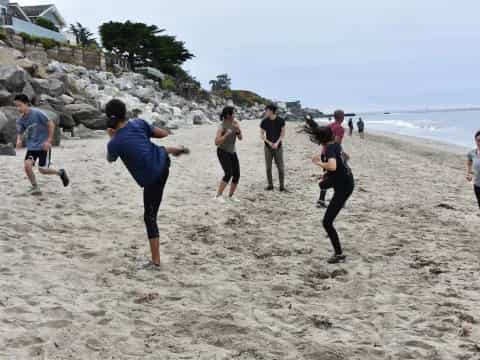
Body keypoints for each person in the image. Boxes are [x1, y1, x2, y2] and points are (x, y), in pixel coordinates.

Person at [105, 99, 189, 268]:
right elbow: (162, 134)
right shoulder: (138, 123)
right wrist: (152, 132)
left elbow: (110, 159)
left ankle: (155, 261)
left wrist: (112, 137)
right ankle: (172, 149)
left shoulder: (114, 142)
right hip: (163, 165)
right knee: (156, 150)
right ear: (125, 113)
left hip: (152, 177)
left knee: (149, 217)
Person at [305, 116, 354, 264]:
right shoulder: (336, 145)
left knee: (327, 222)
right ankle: (331, 233)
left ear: (321, 140)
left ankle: (339, 254)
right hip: (346, 181)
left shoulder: (330, 148)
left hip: (344, 187)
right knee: (322, 185)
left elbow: (333, 166)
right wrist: (326, 170)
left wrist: (319, 163)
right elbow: (347, 157)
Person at [15, 94, 69, 195]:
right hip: (32, 146)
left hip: (43, 145)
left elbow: (51, 124)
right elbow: (20, 131)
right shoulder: (21, 119)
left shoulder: (37, 113)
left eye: (20, 105)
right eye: (16, 106)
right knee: (27, 165)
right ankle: (35, 187)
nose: (18, 108)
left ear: (26, 104)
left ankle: (60, 173)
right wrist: (18, 140)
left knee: (43, 170)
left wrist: (48, 141)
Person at [317, 110, 348, 208]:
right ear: (342, 117)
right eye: (343, 115)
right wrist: (342, 153)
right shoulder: (340, 128)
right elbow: (336, 143)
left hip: (324, 152)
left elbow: (323, 139)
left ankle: (323, 199)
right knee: (340, 176)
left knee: (329, 175)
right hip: (333, 155)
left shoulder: (329, 126)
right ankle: (335, 200)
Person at [215, 106, 243, 202]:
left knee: (237, 174)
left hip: (232, 151)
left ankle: (230, 196)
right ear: (228, 115)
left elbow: (240, 138)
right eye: (233, 113)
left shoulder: (235, 123)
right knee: (228, 173)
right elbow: (216, 142)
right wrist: (226, 134)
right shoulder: (222, 126)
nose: (235, 115)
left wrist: (238, 130)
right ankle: (218, 196)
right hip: (222, 151)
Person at [261, 103, 287, 191]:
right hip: (267, 147)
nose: (265, 112)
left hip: (278, 146)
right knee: (268, 168)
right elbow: (262, 135)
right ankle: (270, 185)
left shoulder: (281, 120)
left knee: (280, 168)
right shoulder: (264, 121)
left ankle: (282, 186)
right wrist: (269, 143)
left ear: (272, 111)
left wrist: (276, 143)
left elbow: (282, 134)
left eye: (267, 110)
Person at [466, 130, 480, 209]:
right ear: (475, 140)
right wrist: (469, 173)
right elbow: (469, 162)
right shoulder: (472, 153)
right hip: (477, 186)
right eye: (478, 140)